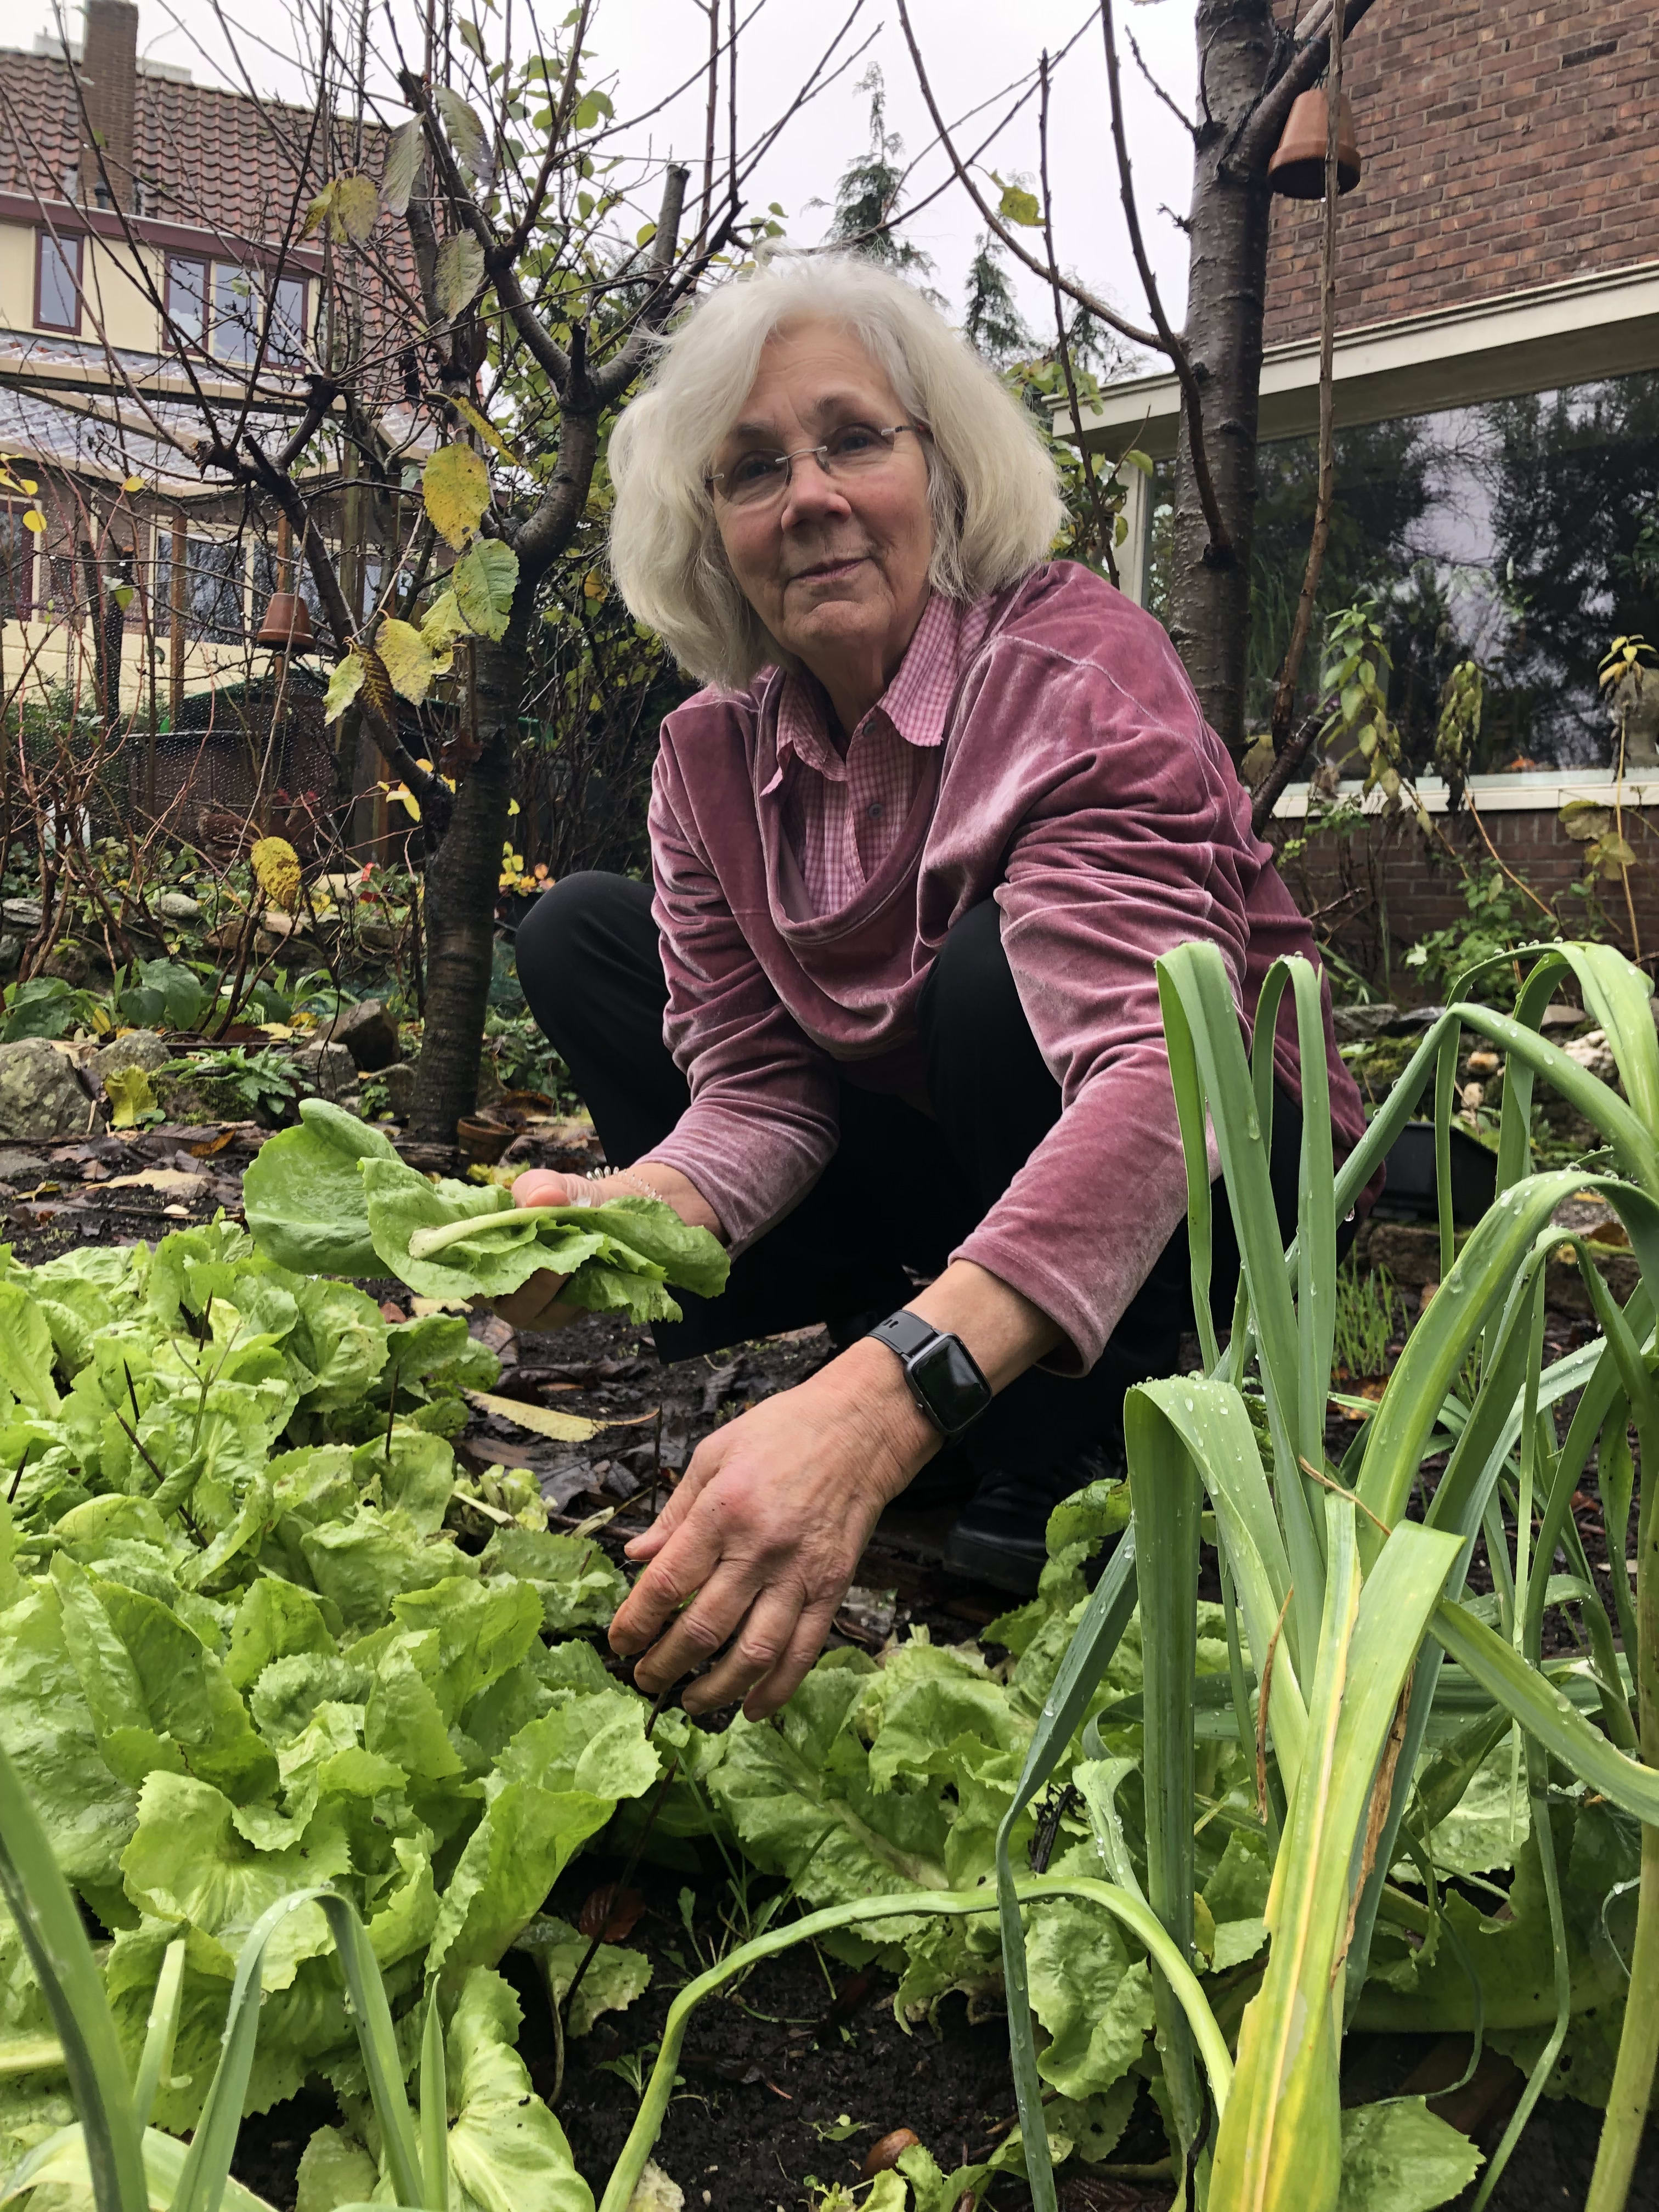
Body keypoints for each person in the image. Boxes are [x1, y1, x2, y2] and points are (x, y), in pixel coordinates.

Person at [506, 252, 1368, 1724]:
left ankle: (1077, 1418)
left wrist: (880, 1407)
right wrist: (635, 1219)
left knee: (991, 974)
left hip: (1219, 1174)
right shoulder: (712, 757)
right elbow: (761, 1088)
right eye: (752, 469)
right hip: (964, 1138)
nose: (810, 498)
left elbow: (1165, 1078)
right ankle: (918, 1348)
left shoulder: (1072, 671)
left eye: (853, 439)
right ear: (711, 532)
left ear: (942, 469)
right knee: (583, 931)